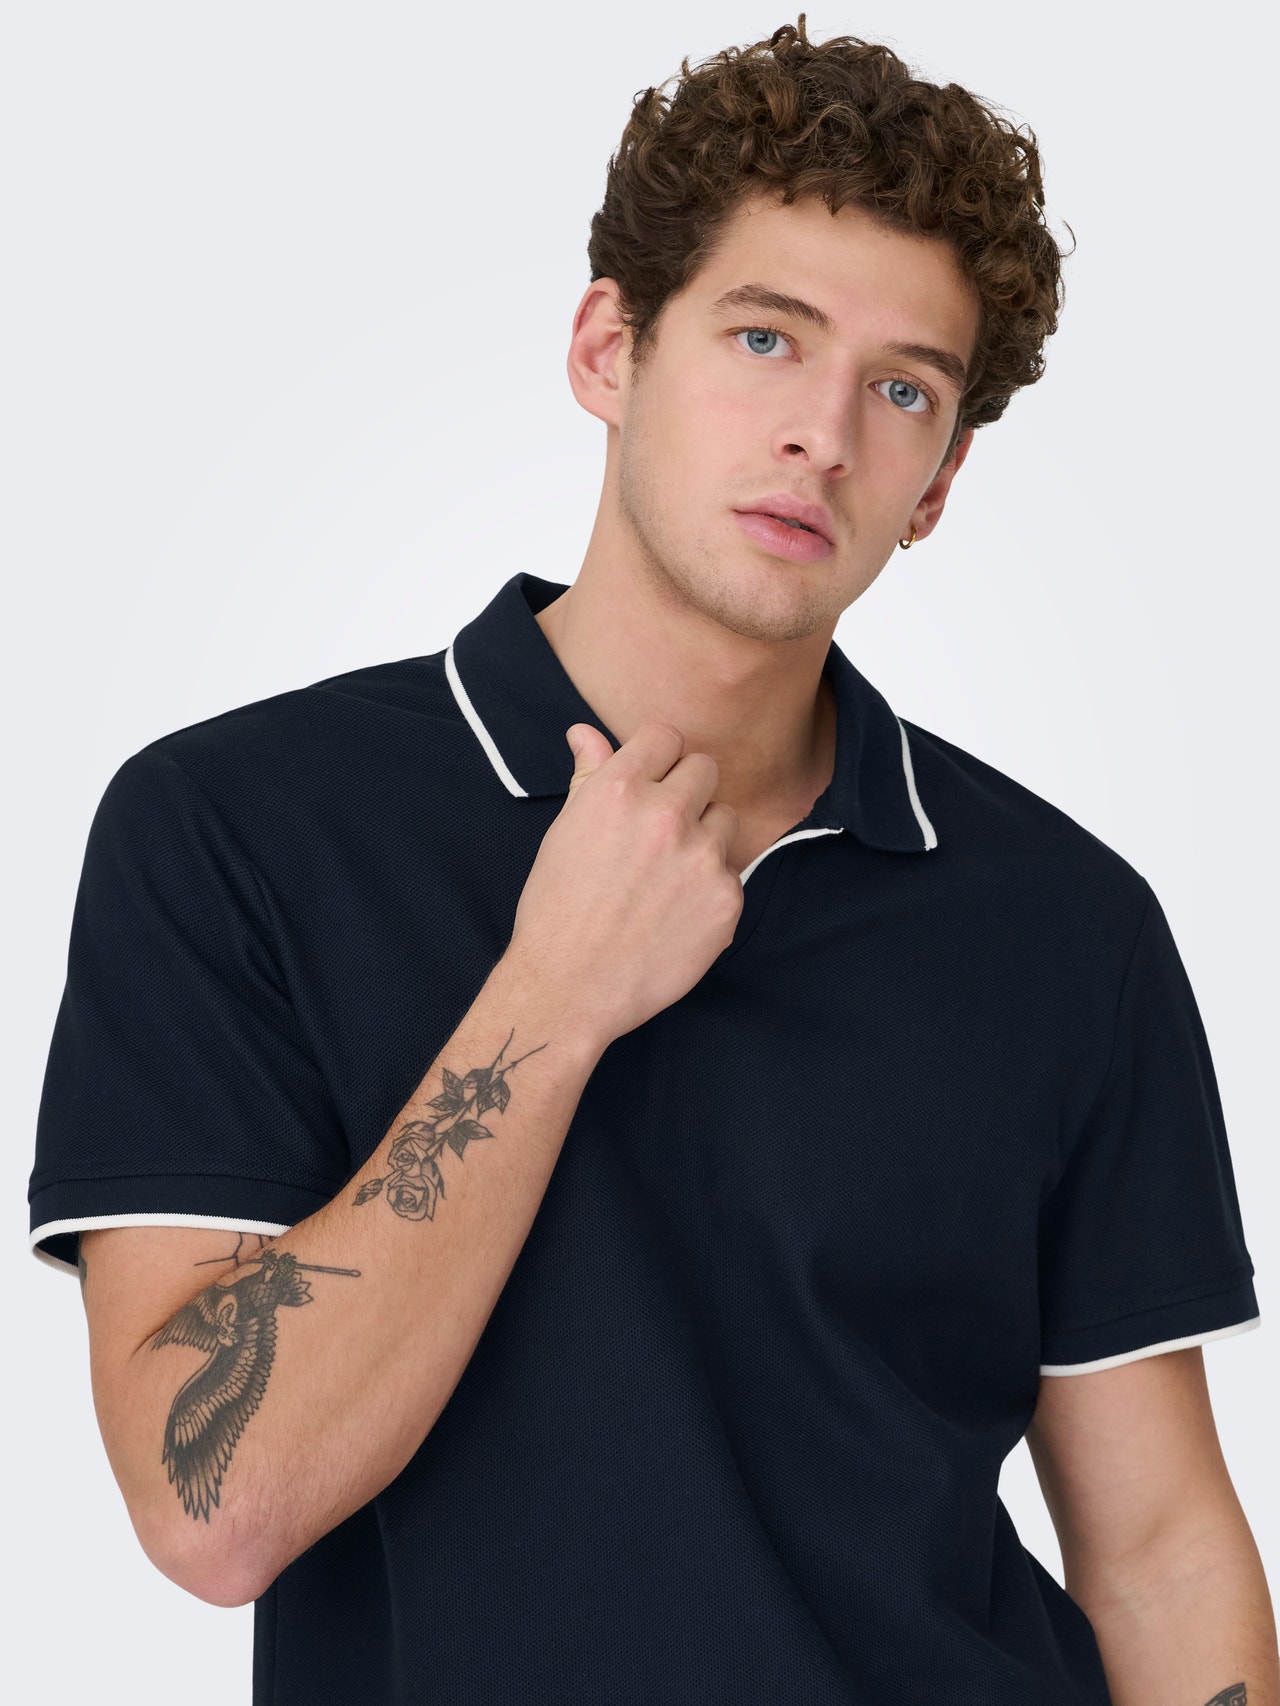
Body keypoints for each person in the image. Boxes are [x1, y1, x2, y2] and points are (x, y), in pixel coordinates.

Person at [26, 15, 1277, 1704]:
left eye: (902, 389)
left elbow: (1162, 1550)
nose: (824, 433)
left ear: (938, 483)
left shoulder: (1066, 927)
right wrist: (554, 996)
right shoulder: (235, 826)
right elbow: (210, 1505)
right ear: (609, 348)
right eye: (766, 338)